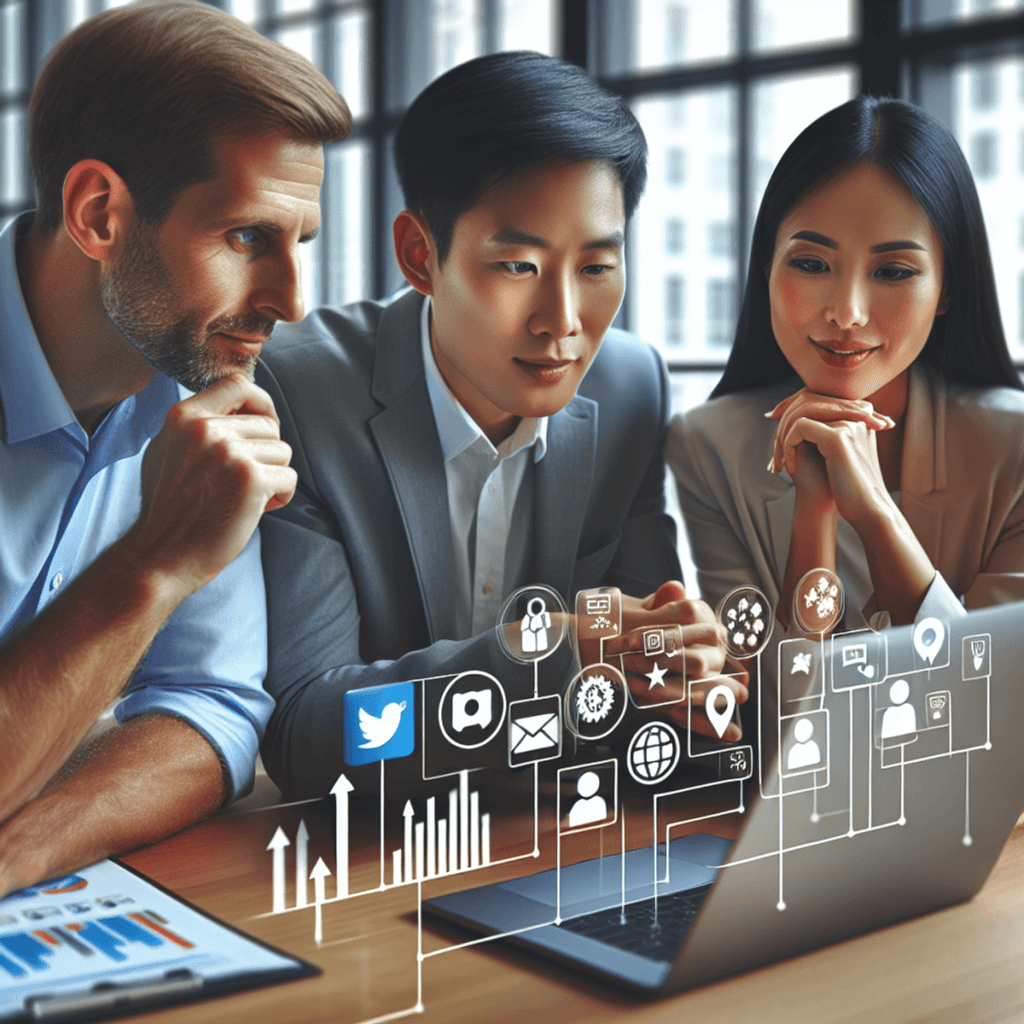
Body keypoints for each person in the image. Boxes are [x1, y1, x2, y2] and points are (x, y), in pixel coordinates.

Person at [257, 51, 742, 800]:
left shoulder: (630, 387)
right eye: (519, 266)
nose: (564, 324)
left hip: (547, 839)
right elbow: (309, 736)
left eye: (596, 267)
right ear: (421, 255)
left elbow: (647, 692)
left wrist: (677, 663)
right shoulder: (298, 392)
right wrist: (549, 655)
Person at [0, 0, 351, 896]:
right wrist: (158, 560)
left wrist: (28, 850)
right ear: (99, 213)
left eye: (299, 243)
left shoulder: (200, 393)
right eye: (246, 238)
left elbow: (212, 706)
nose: (291, 300)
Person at [670, 96, 1024, 635]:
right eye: (811, 264)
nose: (846, 313)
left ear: (947, 287)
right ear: (767, 265)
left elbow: (997, 703)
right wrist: (814, 514)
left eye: (894, 272)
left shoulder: (1014, 450)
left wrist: (876, 515)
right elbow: (770, 708)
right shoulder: (709, 447)